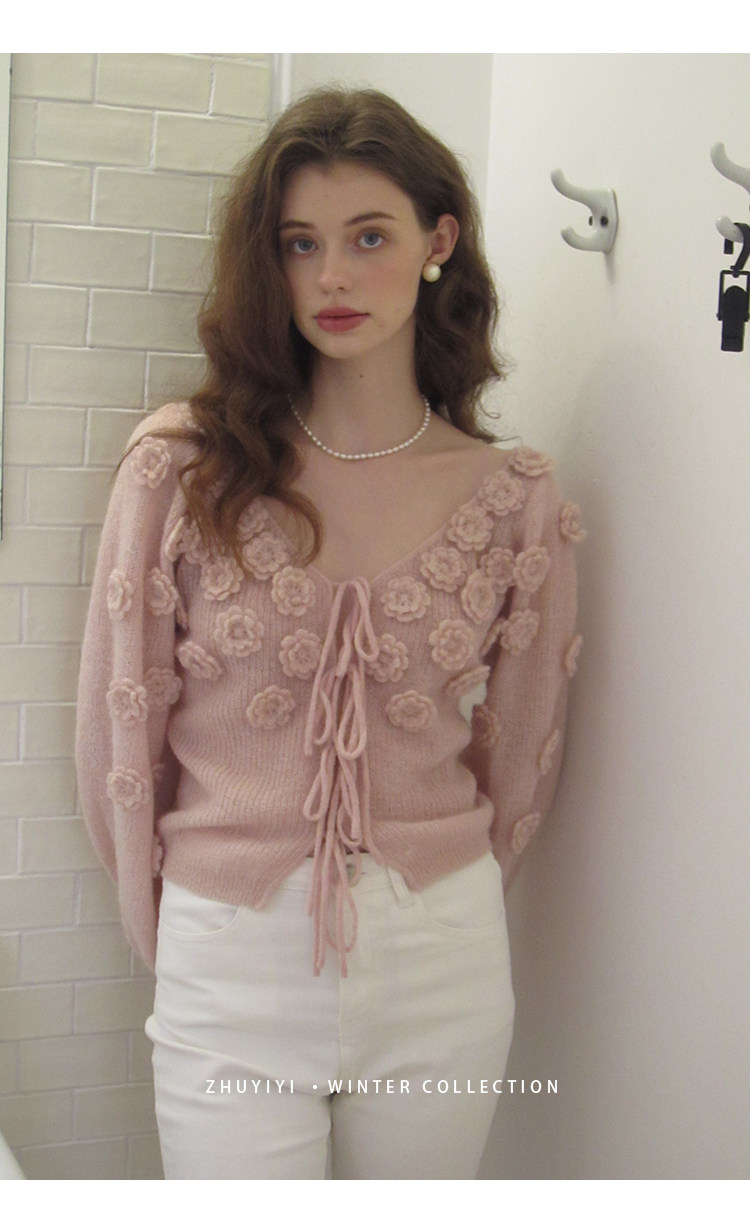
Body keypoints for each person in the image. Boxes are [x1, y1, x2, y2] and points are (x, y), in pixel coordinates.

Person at [75, 86, 585, 1180]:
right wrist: (176, 926)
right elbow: (119, 730)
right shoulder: (183, 468)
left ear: (437, 243)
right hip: (227, 954)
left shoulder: (514, 495)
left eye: (368, 237)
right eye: (300, 244)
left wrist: (434, 896)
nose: (333, 277)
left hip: (444, 959)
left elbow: (524, 747)